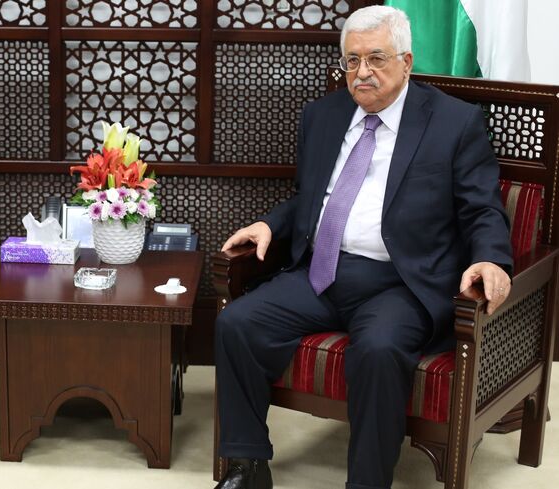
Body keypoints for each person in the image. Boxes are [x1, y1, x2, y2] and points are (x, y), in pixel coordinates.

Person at [213, 5, 512, 489]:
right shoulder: (324, 115)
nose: (362, 72)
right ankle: (247, 466)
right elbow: (311, 198)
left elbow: (482, 209)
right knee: (236, 322)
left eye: (376, 58)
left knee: (377, 349)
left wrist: (491, 259)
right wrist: (271, 224)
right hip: (323, 271)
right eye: (352, 61)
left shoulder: (454, 123)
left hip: (402, 284)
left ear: (407, 61)